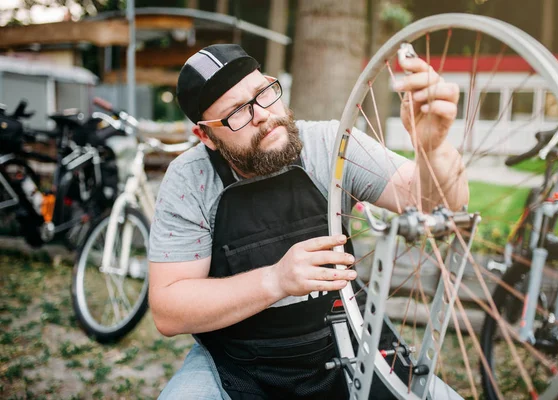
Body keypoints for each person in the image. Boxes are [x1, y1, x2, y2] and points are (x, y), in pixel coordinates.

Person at [148, 43, 468, 400]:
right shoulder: (189, 180)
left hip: (350, 340)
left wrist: (433, 149)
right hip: (240, 364)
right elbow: (169, 310)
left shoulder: (328, 144)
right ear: (205, 136)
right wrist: (276, 280)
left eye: (263, 94)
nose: (262, 115)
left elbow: (435, 203)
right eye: (237, 112)